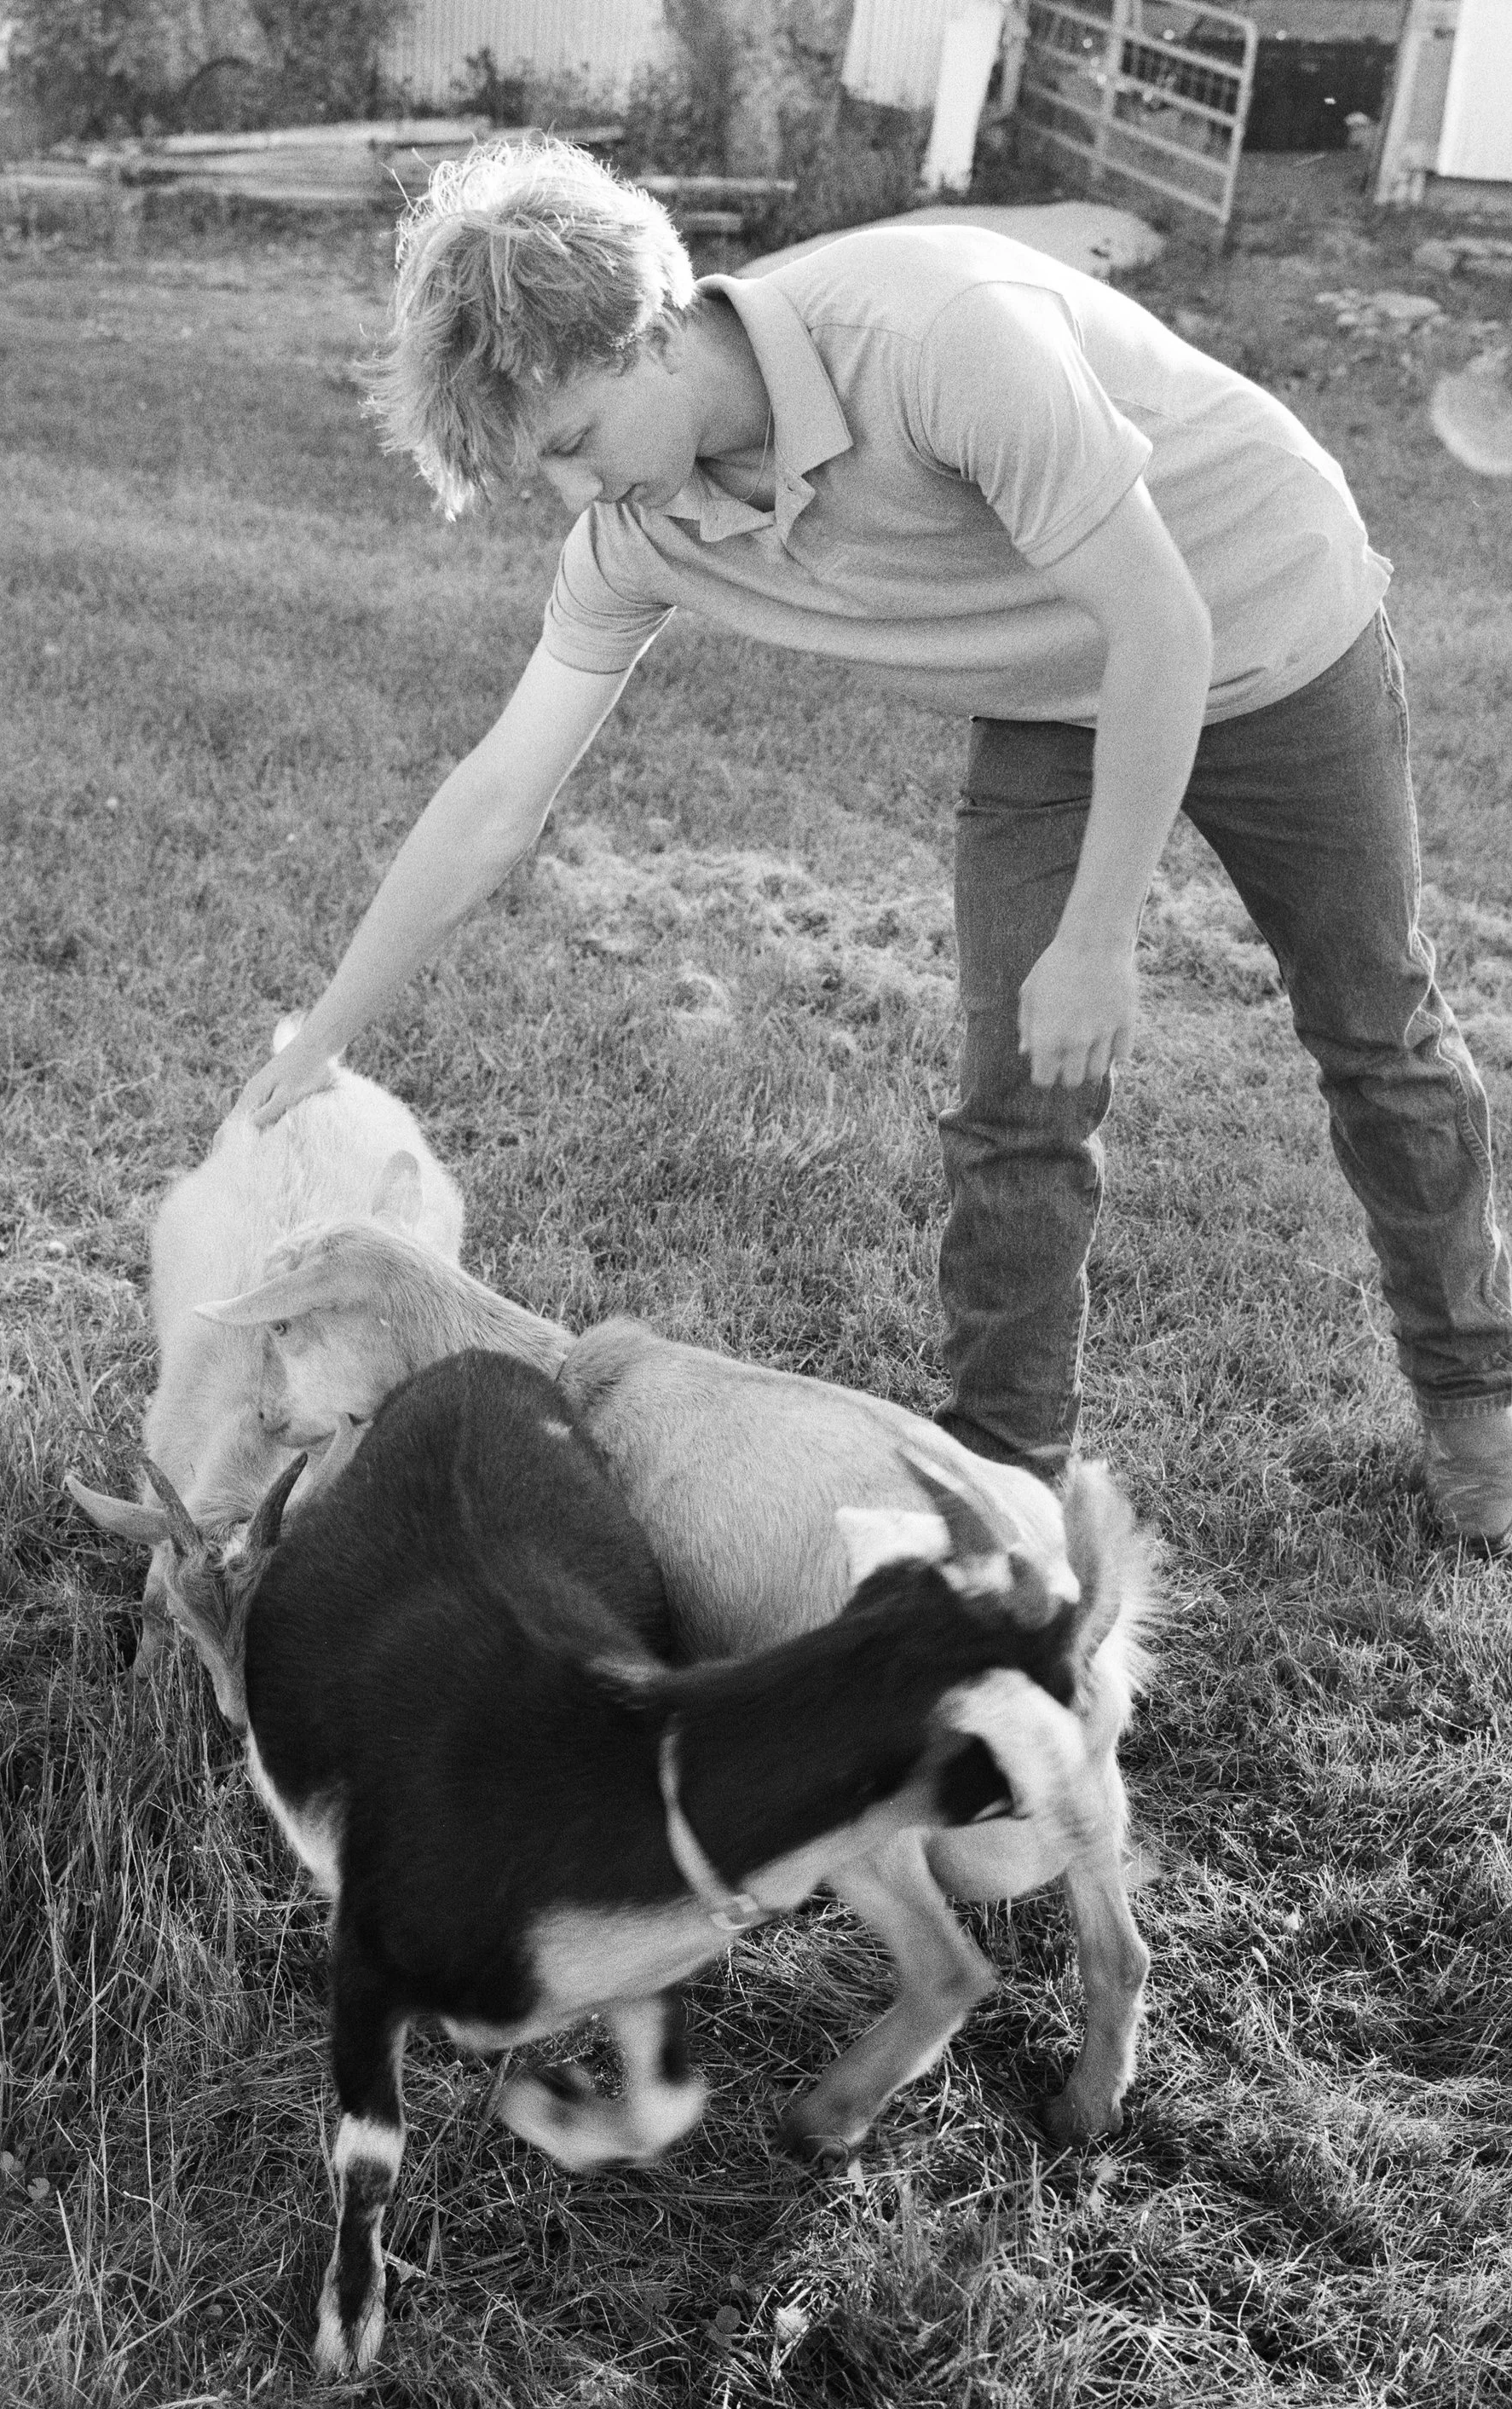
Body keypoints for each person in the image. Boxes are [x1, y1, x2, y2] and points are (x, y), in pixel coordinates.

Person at [234, 139, 1512, 1547]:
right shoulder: (644, 528)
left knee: (1372, 1027)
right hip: (1053, 691)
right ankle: (1003, 1483)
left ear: (653, 333)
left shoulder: (934, 337)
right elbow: (497, 794)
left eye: (574, 440)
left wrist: (1101, 936)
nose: (572, 493)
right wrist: (323, 1039)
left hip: (1268, 617)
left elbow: (1165, 626)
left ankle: (1475, 1393)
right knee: (1014, 1093)